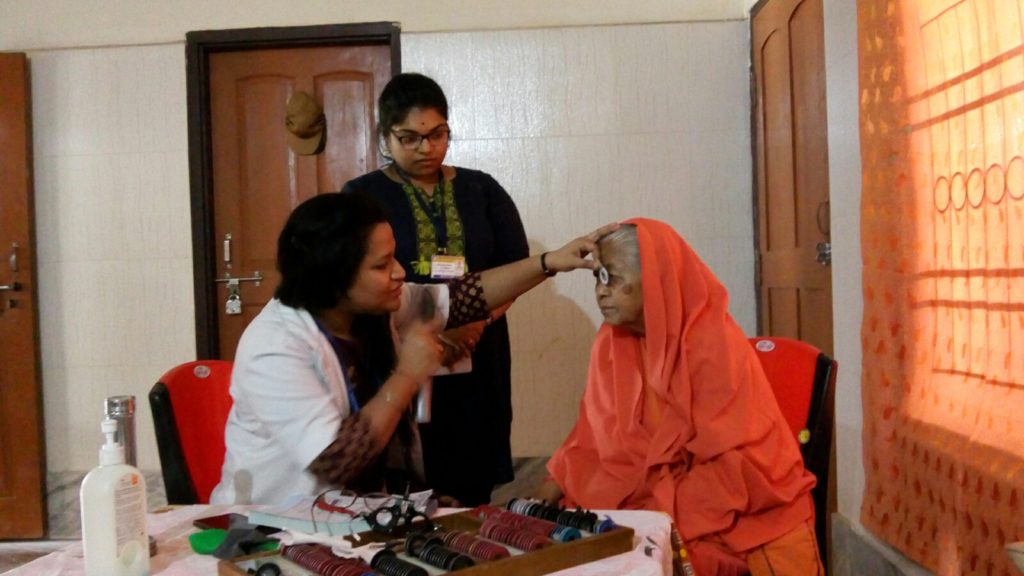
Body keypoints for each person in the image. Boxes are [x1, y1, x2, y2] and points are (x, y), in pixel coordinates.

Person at [209, 191, 612, 506]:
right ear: (334, 276)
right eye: (382, 265)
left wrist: (549, 262)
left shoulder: (370, 310)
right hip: (274, 530)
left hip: (356, 516)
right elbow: (337, 460)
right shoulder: (275, 347)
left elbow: (463, 297)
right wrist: (407, 374)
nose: (399, 272)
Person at [535, 219, 823, 576]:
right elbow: (591, 436)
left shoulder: (712, 345)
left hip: (719, 506)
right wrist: (550, 487)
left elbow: (739, 468)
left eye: (613, 278)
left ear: (656, 279)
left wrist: (651, 515)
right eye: (598, 277)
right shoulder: (612, 342)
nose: (601, 292)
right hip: (643, 497)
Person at [342, 73, 528, 506]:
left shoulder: (482, 189)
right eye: (409, 138)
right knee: (407, 476)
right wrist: (426, 331)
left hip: (479, 353)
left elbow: (515, 269)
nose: (426, 148)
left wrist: (474, 324)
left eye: (437, 134)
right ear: (385, 137)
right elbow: (354, 277)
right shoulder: (362, 195)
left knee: (473, 477)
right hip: (398, 352)